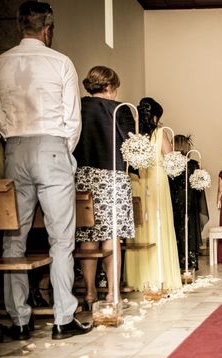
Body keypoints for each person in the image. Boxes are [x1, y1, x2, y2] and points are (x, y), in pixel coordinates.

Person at [0, 1, 91, 340]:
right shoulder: (60, 62)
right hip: (52, 148)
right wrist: (61, 152)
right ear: (48, 28)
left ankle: (20, 319)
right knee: (61, 239)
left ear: (20, 26)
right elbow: (73, 119)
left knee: (13, 238)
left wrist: (14, 142)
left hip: (15, 148)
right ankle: (62, 318)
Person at [73, 66, 135, 310]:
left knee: (88, 236)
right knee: (111, 236)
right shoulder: (120, 109)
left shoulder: (78, 107)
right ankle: (111, 294)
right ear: (110, 87)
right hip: (112, 176)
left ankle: (89, 294)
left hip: (83, 175)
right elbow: (130, 145)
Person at [124, 97, 181, 291]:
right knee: (159, 224)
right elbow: (171, 158)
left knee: (141, 227)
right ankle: (160, 274)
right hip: (156, 183)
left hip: (137, 183)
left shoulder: (133, 135)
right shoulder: (160, 132)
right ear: (156, 116)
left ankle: (138, 278)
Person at [170, 134, 209, 271]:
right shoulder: (192, 165)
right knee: (189, 231)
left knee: (176, 231)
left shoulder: (171, 165)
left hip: (174, 203)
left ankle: (178, 261)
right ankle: (190, 261)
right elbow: (198, 188)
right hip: (189, 203)